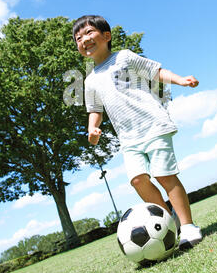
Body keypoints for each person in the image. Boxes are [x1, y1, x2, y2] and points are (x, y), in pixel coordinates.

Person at [73, 15, 202, 250]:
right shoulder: (90, 80)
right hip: (129, 138)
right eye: (78, 38)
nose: (84, 39)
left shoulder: (124, 57)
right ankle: (168, 223)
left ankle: (189, 226)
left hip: (153, 125)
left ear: (106, 36)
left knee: (164, 176)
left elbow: (155, 71)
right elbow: (94, 109)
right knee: (137, 180)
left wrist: (180, 80)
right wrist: (92, 127)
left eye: (89, 32)